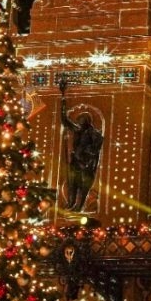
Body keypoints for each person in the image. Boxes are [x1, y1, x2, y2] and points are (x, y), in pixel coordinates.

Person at [58, 80, 103, 212]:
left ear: (87, 122)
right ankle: (71, 203)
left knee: (83, 186)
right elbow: (64, 120)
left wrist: (86, 153)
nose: (79, 124)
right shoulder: (78, 130)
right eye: (78, 122)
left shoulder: (94, 133)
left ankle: (79, 206)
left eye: (81, 121)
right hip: (76, 161)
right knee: (73, 184)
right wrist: (63, 98)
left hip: (86, 163)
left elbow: (96, 147)